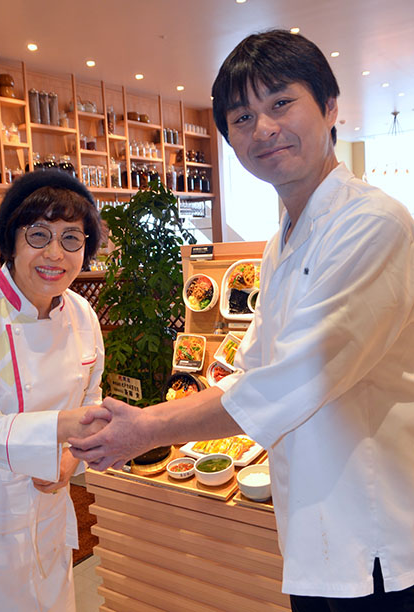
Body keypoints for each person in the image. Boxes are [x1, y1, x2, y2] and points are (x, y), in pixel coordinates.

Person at [70, 30, 414, 611]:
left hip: (374, 532)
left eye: (281, 102)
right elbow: (248, 368)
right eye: (242, 117)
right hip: (311, 531)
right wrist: (143, 419)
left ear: (330, 106)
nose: (264, 129)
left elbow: (294, 379)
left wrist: (148, 428)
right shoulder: (282, 242)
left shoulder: (373, 223)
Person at [0, 170, 108, 611]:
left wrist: (69, 460)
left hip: (50, 506)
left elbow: (91, 395)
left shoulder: (82, 314)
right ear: (11, 240)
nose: (55, 253)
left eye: (71, 238)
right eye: (38, 234)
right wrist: (63, 427)